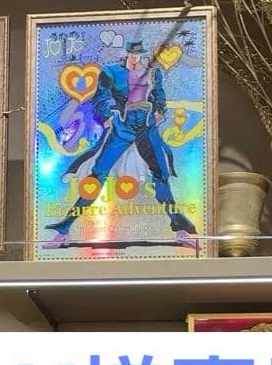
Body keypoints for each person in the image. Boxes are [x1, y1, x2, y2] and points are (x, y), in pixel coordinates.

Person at [44, 41, 198, 249]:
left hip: (146, 126)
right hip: (123, 126)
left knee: (161, 175)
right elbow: (101, 97)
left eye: (138, 53)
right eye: (132, 53)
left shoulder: (153, 72)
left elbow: (159, 94)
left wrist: (159, 112)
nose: (135, 57)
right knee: (97, 175)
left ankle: (181, 231)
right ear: (127, 53)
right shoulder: (111, 72)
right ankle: (63, 231)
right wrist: (107, 117)